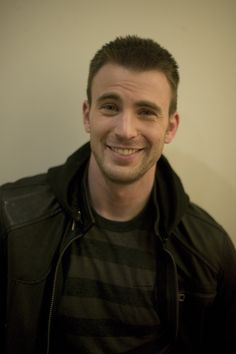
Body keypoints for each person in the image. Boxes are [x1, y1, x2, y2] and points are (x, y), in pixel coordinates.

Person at [0, 35, 235, 354]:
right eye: (110, 106)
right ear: (87, 115)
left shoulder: (210, 249)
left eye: (147, 112)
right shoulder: (11, 217)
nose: (125, 129)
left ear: (170, 127)